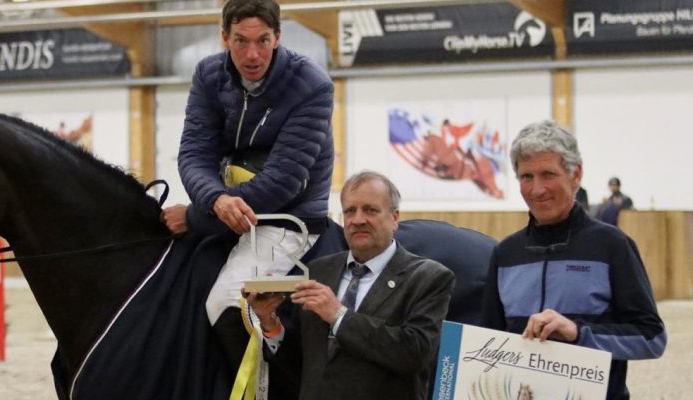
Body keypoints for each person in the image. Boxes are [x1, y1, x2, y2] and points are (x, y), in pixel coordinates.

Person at [160, 0, 335, 377]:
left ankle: (264, 389)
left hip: (287, 218)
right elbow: (194, 154)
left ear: (278, 37)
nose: (252, 54)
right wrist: (214, 199)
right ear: (224, 37)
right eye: (240, 40)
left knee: (226, 303)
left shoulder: (313, 86)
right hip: (224, 208)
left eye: (263, 40)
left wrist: (195, 215)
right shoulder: (208, 74)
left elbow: (284, 182)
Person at [481, 121, 666, 400]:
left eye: (548, 174)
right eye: (526, 176)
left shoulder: (612, 246)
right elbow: (487, 343)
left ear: (576, 174)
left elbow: (651, 338)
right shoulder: (505, 253)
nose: (537, 189)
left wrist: (579, 334)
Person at [246, 171, 456, 400]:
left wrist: (339, 315)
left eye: (370, 210)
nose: (358, 220)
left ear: (395, 218)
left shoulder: (429, 277)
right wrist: (270, 325)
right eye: (349, 211)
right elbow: (304, 364)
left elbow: (415, 353)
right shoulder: (318, 271)